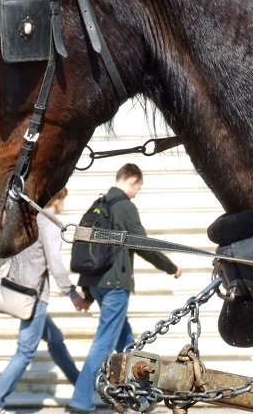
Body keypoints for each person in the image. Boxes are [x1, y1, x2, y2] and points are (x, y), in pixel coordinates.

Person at [67, 164, 183, 413]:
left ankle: (142, 396)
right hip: (115, 285)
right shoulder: (124, 207)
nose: (137, 192)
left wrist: (87, 292)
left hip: (96, 285)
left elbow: (87, 247)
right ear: (132, 180)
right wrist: (170, 266)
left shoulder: (98, 205)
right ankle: (80, 400)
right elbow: (142, 244)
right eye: (138, 187)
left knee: (127, 340)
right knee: (103, 344)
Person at [0, 188, 91, 414]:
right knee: (26, 351)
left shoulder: (23, 220)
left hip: (19, 291)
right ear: (58, 200)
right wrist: (72, 293)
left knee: (55, 340)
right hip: (33, 298)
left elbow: (1, 252)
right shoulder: (49, 223)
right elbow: (55, 264)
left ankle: (81, 386)